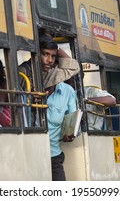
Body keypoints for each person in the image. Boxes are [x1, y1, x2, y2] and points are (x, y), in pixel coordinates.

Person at [37, 33, 80, 181]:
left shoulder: (67, 92)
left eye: (53, 56)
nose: (49, 60)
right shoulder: (28, 80)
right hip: (30, 154)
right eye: (44, 54)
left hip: (53, 156)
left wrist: (70, 134)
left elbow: (72, 123)